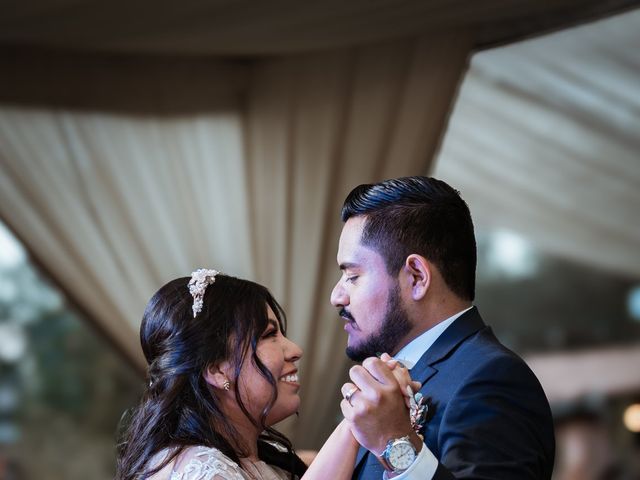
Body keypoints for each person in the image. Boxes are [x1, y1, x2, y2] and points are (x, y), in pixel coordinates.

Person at [330, 176, 556, 479]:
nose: (337, 296)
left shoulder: (491, 379)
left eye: (352, 276)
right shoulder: (393, 380)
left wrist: (395, 445)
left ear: (417, 277)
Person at [116, 269, 418, 480]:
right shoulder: (200, 471)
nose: (295, 349)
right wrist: (357, 414)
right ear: (216, 369)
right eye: (269, 335)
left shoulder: (264, 459)